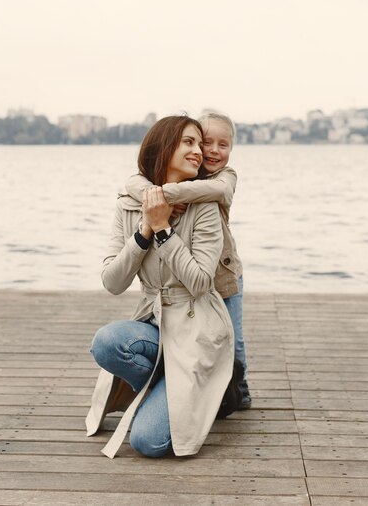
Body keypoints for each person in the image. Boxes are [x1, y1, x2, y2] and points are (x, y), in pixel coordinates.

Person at [86, 115, 235, 459]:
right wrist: (145, 231)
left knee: (147, 443)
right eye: (188, 142)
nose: (199, 151)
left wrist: (164, 229)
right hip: (154, 321)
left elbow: (199, 283)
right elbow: (112, 282)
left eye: (199, 143)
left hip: (196, 327)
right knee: (107, 342)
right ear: (163, 147)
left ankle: (194, 391)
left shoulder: (206, 208)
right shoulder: (127, 205)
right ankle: (168, 388)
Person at [125, 111, 251, 409]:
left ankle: (239, 389)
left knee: (233, 339)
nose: (214, 151)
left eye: (224, 144)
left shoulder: (224, 177)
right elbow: (132, 183)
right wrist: (157, 196)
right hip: (190, 273)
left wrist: (166, 194)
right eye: (207, 142)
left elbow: (218, 191)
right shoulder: (189, 172)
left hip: (224, 275)